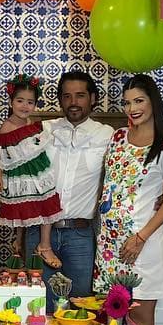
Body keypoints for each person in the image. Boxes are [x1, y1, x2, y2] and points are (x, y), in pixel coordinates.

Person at [93, 74, 163, 325]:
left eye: (139, 101)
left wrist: (140, 236)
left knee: (142, 317)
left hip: (143, 244)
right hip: (110, 244)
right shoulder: (117, 137)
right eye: (127, 102)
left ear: (153, 102)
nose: (132, 108)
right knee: (115, 315)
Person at [26, 70, 114, 309]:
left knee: (80, 308)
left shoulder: (107, 135)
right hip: (39, 232)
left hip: (80, 235)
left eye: (80, 96)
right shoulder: (43, 130)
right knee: (37, 307)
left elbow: (130, 170)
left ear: (93, 98)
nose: (73, 102)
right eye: (66, 96)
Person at [0, 74, 63, 268]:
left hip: (37, 170)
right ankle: (19, 240)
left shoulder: (31, 122)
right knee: (22, 209)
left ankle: (44, 244)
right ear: (11, 101)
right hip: (18, 173)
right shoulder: (7, 126)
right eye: (20, 101)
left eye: (30, 102)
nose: (24, 106)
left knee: (47, 202)